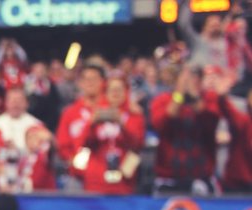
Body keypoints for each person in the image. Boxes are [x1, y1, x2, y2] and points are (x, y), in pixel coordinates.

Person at [150, 66, 221, 194]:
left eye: (194, 77)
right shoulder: (162, 99)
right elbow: (161, 123)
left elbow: (210, 121)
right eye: (185, 78)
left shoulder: (210, 99)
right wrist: (179, 95)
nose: (189, 81)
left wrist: (193, 96)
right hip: (169, 179)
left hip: (202, 178)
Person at [74, 77, 146, 195]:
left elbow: (137, 145)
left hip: (123, 180)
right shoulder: (95, 113)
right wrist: (92, 124)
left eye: (119, 90)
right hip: (96, 180)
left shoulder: (134, 115)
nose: (115, 93)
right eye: (112, 90)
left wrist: (122, 126)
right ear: (105, 93)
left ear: (126, 92)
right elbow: (83, 143)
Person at [57, 65, 107, 168]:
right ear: (80, 83)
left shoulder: (110, 110)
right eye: (86, 79)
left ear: (102, 82)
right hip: (79, 174)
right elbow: (63, 145)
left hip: (105, 171)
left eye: (94, 79)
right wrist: (72, 161)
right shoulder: (70, 113)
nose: (90, 83)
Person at [0, 87, 41, 155]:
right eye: (12, 100)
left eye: (19, 100)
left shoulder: (36, 124)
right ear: (6, 103)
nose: (15, 104)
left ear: (27, 103)